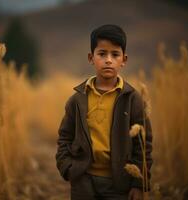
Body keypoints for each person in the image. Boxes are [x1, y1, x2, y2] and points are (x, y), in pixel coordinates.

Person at [55, 24, 153, 200]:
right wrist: (68, 169)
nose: (108, 60)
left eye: (115, 54)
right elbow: (64, 137)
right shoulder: (77, 99)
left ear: (124, 59)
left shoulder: (132, 99)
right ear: (91, 58)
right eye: (102, 54)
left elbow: (143, 144)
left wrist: (139, 183)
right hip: (83, 180)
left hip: (120, 182)